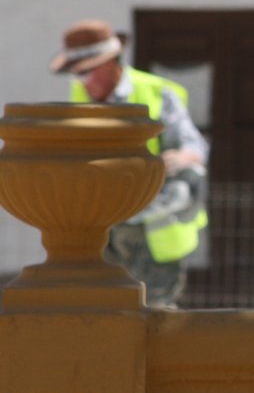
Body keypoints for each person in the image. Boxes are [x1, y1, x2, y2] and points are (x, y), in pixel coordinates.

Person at [49, 19, 210, 308]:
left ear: (110, 62)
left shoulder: (157, 93)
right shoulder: (79, 100)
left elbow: (194, 148)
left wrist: (177, 163)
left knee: (155, 322)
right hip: (102, 232)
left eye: (87, 72)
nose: (82, 83)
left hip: (153, 233)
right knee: (103, 318)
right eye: (76, 75)